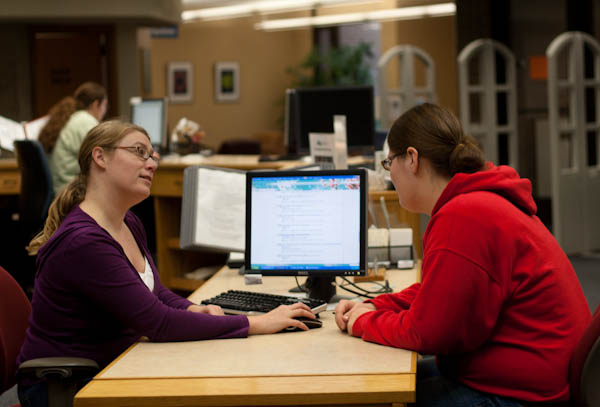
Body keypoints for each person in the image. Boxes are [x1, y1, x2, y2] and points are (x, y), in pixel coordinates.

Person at [17, 120, 316, 406]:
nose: (152, 164)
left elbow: (157, 293)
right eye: (139, 152)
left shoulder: (128, 222)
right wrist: (256, 322)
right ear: (100, 157)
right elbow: (158, 322)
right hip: (69, 385)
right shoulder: (83, 242)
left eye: (152, 156)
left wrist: (191, 307)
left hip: (118, 367)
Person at [334, 103, 591, 406]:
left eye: (390, 163)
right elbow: (442, 293)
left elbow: (429, 332)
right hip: (528, 376)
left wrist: (362, 323)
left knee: (369, 396)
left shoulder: (464, 214)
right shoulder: (474, 202)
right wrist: (375, 305)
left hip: (521, 394)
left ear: (413, 159)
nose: (390, 176)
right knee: (384, 382)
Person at [38, 81, 108, 194]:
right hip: (72, 192)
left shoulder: (71, 119)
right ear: (96, 104)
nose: (105, 111)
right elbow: (104, 159)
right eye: (105, 105)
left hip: (62, 189)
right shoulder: (86, 122)